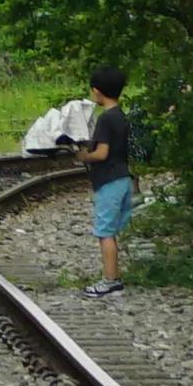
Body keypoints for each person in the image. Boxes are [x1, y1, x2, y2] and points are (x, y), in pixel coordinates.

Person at [79, 65, 141, 294]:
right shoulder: (121, 116)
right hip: (123, 178)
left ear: (97, 91)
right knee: (111, 231)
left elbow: (102, 153)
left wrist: (83, 156)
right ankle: (113, 277)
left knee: (104, 232)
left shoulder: (105, 119)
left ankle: (110, 280)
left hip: (109, 181)